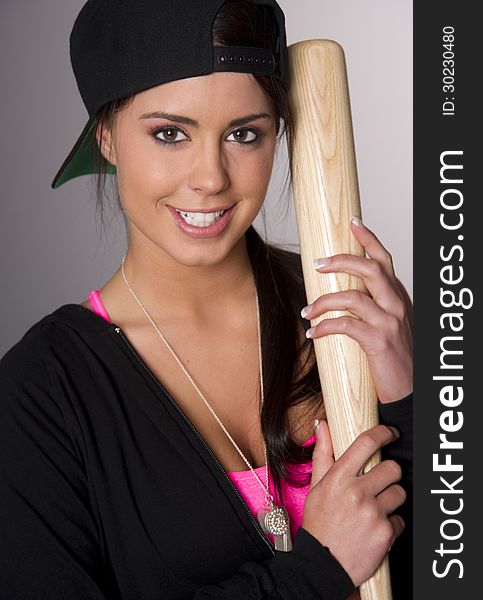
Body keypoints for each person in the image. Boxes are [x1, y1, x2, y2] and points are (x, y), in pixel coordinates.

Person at [0, 1, 413, 598]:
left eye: (245, 134)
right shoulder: (40, 393)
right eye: (170, 134)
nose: (211, 177)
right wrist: (316, 569)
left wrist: (412, 402)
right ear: (107, 138)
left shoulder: (354, 310)